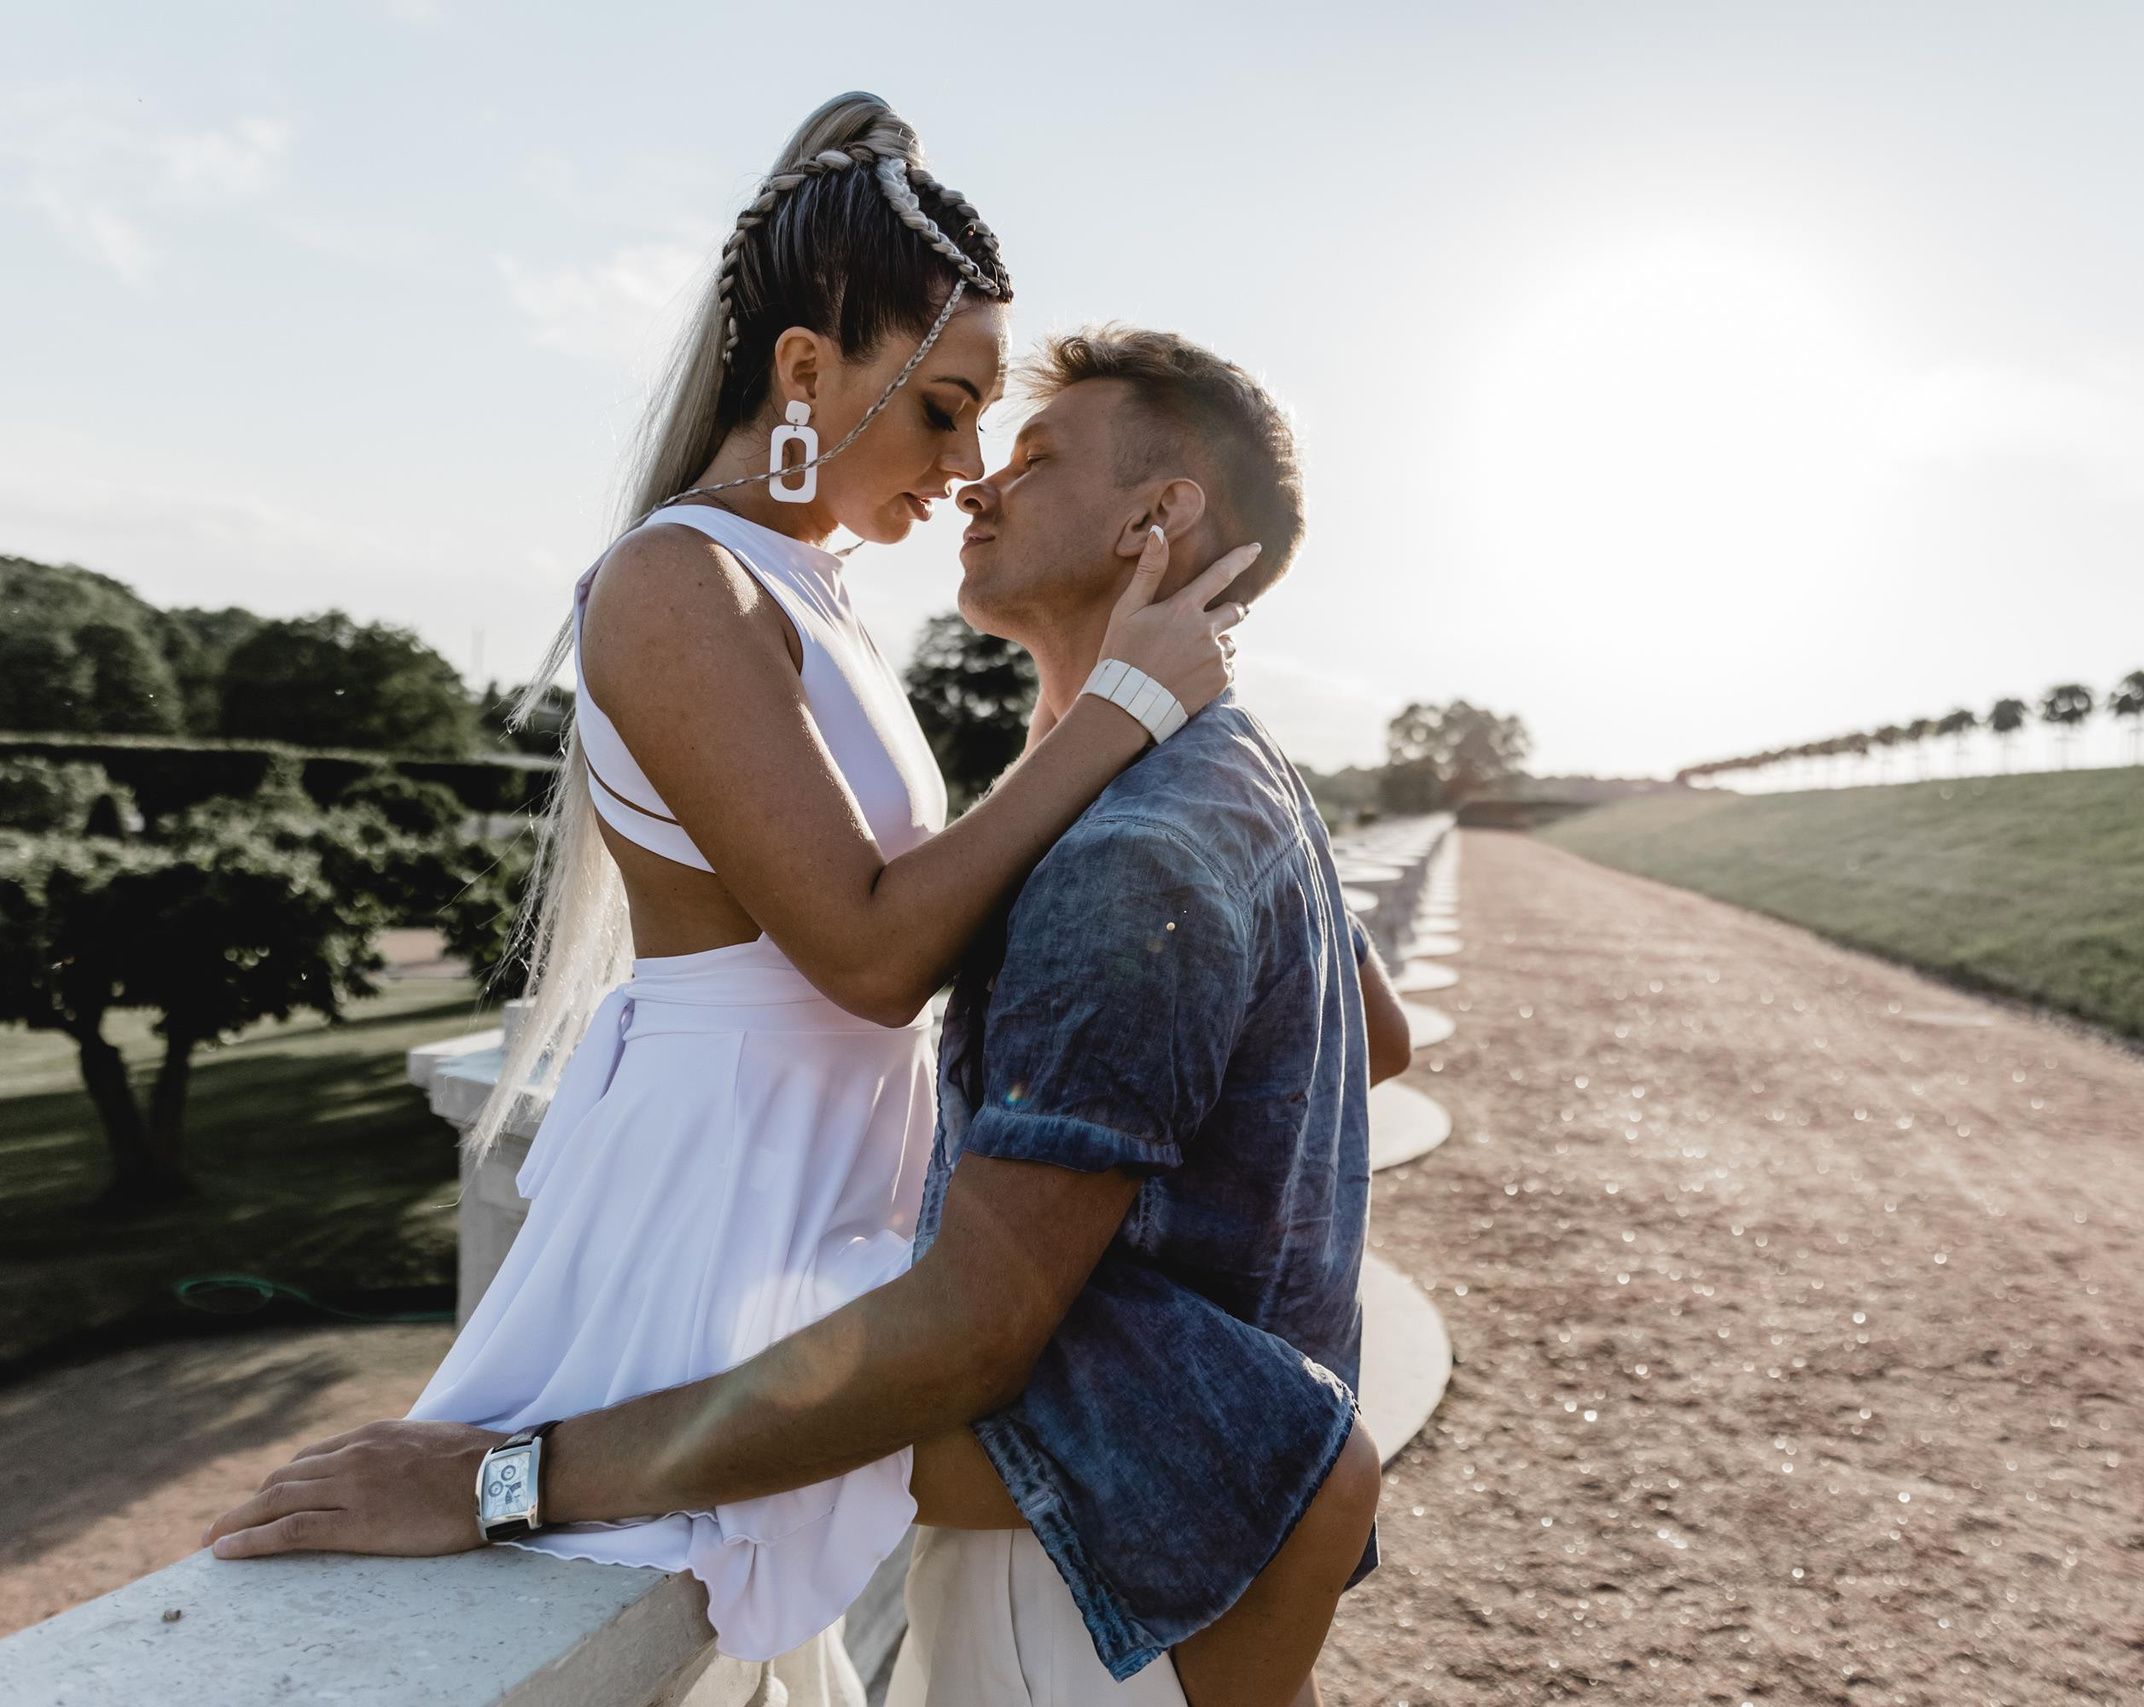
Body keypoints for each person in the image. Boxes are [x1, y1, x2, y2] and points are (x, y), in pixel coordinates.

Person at [208, 99, 1398, 1707]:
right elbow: (871, 951)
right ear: (801, 372)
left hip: (846, 1195)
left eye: (999, 433)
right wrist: (1117, 711)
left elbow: (1046, 915)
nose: (966, 469)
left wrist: (1136, 726)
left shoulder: (820, 597)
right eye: (950, 411)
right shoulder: (674, 582)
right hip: (736, 1185)